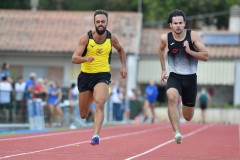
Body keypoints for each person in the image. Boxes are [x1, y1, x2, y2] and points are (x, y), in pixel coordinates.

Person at [72, 9, 127, 145]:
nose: (100, 24)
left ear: (107, 22)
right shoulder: (86, 38)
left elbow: (121, 50)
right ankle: (92, 96)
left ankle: (95, 136)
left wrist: (123, 66)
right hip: (85, 76)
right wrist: (85, 59)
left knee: (100, 103)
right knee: (83, 114)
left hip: (102, 75)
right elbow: (74, 58)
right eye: (98, 22)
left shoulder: (111, 38)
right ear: (94, 23)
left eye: (103, 21)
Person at [159, 9, 209, 144]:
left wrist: (190, 51)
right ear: (171, 25)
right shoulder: (165, 38)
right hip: (174, 76)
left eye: (180, 23)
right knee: (171, 96)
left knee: (188, 116)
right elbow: (160, 49)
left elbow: (205, 56)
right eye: (175, 23)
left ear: (184, 23)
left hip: (190, 79)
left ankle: (182, 109)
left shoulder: (193, 36)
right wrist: (164, 69)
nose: (178, 25)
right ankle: (177, 133)